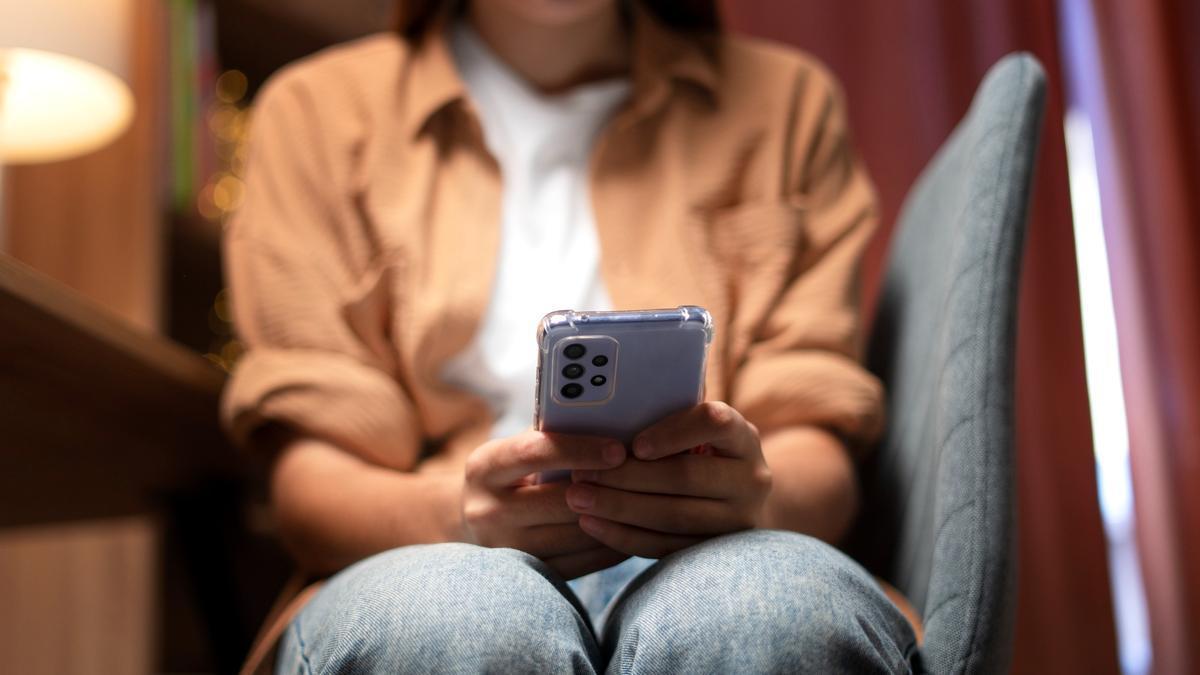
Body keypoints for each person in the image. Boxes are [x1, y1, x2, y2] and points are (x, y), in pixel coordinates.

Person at [222, 0, 920, 672]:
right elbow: (309, 487)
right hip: (431, 546)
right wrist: (456, 515)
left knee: (766, 609)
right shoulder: (316, 111)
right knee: (460, 617)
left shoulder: (785, 102)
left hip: (722, 547)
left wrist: (752, 498)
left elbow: (819, 442)